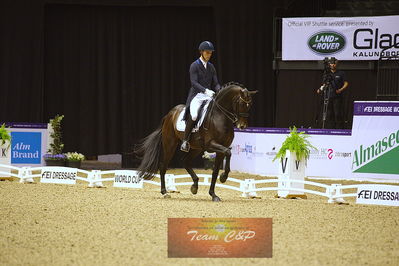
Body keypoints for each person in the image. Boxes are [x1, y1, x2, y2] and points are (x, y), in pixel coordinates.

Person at [180, 41, 221, 152]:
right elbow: (194, 83)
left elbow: (216, 83)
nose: (209, 55)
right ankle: (185, 141)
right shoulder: (194, 65)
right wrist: (206, 90)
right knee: (194, 116)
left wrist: (219, 90)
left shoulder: (211, 67)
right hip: (196, 96)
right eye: (207, 52)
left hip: (208, 96)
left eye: (210, 53)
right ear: (201, 52)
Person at [317, 58, 349, 129]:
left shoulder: (341, 73)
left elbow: (346, 83)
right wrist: (320, 89)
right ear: (329, 64)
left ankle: (339, 128)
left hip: (337, 96)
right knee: (330, 113)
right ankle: (331, 128)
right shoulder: (327, 74)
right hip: (328, 96)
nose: (332, 65)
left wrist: (341, 89)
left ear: (336, 64)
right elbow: (325, 84)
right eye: (331, 63)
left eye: (334, 63)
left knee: (337, 113)